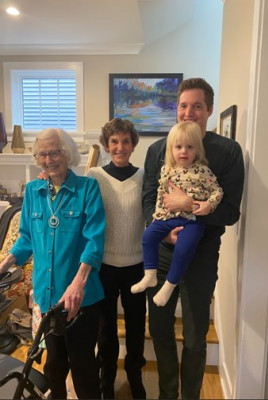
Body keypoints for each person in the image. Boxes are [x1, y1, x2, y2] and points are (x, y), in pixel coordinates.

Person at [142, 78, 245, 400]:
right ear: (177, 109)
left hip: (201, 254)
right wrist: (164, 227)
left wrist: (191, 210)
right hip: (162, 253)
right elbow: (148, 198)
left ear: (209, 110)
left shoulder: (227, 151)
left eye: (197, 106)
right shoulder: (158, 150)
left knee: (195, 336)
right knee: (159, 330)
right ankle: (167, 394)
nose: (189, 112)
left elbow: (229, 211)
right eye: (183, 105)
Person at [0, 128, 106, 399]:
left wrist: (77, 284)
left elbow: (94, 241)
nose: (49, 159)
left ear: (67, 153)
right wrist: (5, 263)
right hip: (47, 298)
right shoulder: (34, 191)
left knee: (84, 368)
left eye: (55, 152)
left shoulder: (87, 189)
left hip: (80, 299)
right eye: (43, 154)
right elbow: (26, 238)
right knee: (53, 366)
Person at [131, 121, 223, 307]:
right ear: (171, 149)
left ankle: (169, 285)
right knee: (148, 236)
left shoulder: (202, 171)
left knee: (184, 247)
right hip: (165, 218)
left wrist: (208, 205)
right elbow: (160, 193)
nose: (184, 151)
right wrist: (158, 215)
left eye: (190, 147)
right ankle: (150, 275)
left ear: (197, 149)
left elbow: (217, 191)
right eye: (178, 147)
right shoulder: (166, 169)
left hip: (191, 221)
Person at [86, 118, 147, 399]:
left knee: (136, 328)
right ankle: (106, 380)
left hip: (137, 266)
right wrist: (44, 176)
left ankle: (135, 377)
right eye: (114, 141)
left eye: (125, 141)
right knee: (105, 330)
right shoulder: (95, 176)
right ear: (107, 145)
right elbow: (73, 193)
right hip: (104, 267)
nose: (120, 146)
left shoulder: (145, 175)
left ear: (133, 144)